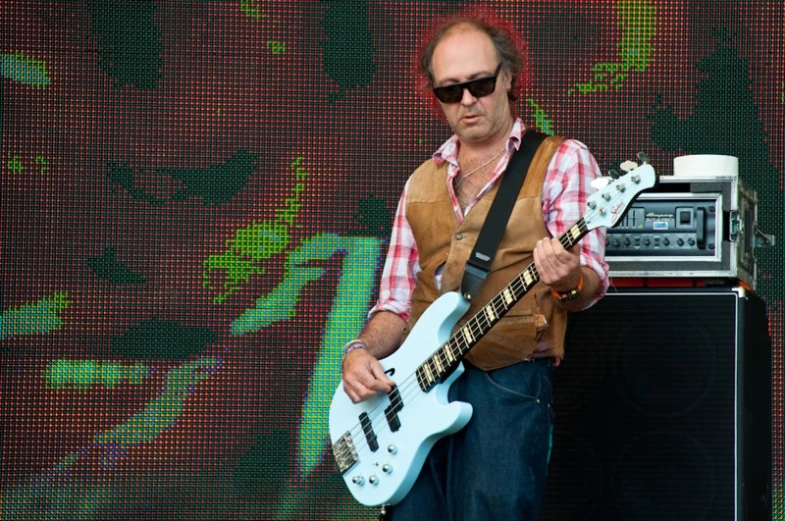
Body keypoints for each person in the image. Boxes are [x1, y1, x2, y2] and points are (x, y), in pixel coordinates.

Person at [340, 10, 609, 521]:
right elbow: (396, 305)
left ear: (509, 78)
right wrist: (357, 353)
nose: (467, 100)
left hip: (507, 382)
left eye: (481, 84)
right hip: (412, 393)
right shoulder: (421, 181)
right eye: (450, 90)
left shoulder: (561, 159)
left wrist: (568, 278)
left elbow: (590, 283)